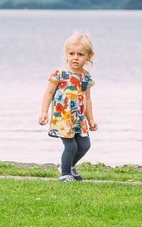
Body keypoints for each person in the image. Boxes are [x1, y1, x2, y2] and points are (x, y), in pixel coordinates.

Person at [38, 32, 98, 182]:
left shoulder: (86, 77)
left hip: (78, 119)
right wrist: (44, 112)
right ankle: (65, 174)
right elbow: (48, 93)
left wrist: (91, 120)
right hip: (63, 118)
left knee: (84, 145)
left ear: (88, 56)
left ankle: (69, 166)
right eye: (71, 53)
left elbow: (88, 99)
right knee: (71, 147)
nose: (75, 58)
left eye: (80, 54)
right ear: (66, 54)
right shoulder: (60, 73)